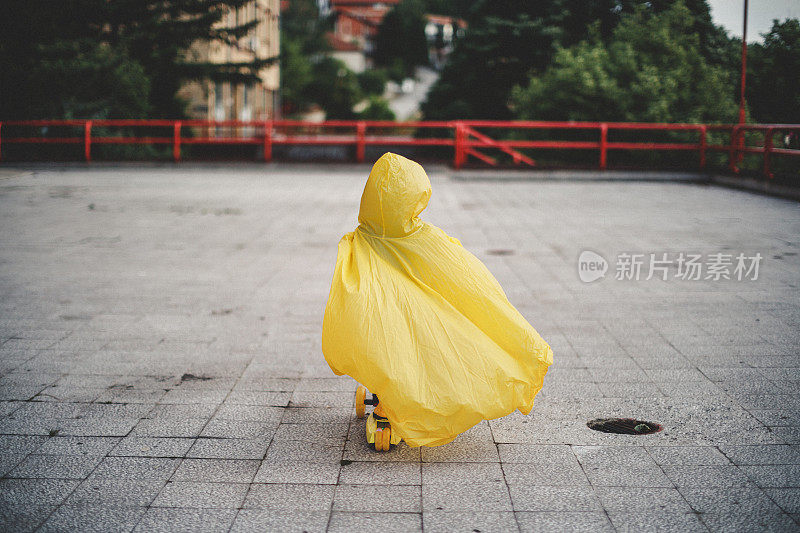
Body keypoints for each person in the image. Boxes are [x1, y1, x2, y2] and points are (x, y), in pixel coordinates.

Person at [322, 152, 553, 448]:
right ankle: (401, 400)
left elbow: (350, 293)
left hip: (388, 323)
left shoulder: (359, 241)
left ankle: (392, 397)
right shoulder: (429, 239)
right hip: (421, 322)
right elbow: (468, 279)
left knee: (389, 340)